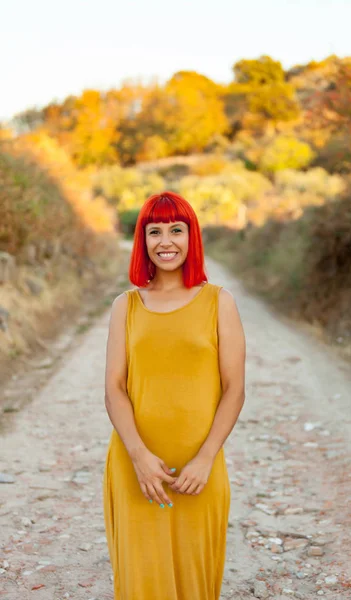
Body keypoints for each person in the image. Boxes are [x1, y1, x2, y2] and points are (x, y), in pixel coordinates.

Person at [103, 191, 246, 600]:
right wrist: (138, 457)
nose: (166, 241)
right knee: (141, 583)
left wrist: (205, 458)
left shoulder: (219, 302)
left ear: (191, 236)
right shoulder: (125, 306)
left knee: (195, 583)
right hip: (136, 469)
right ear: (143, 241)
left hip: (198, 473)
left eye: (176, 230)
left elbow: (234, 389)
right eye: (155, 231)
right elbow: (113, 388)